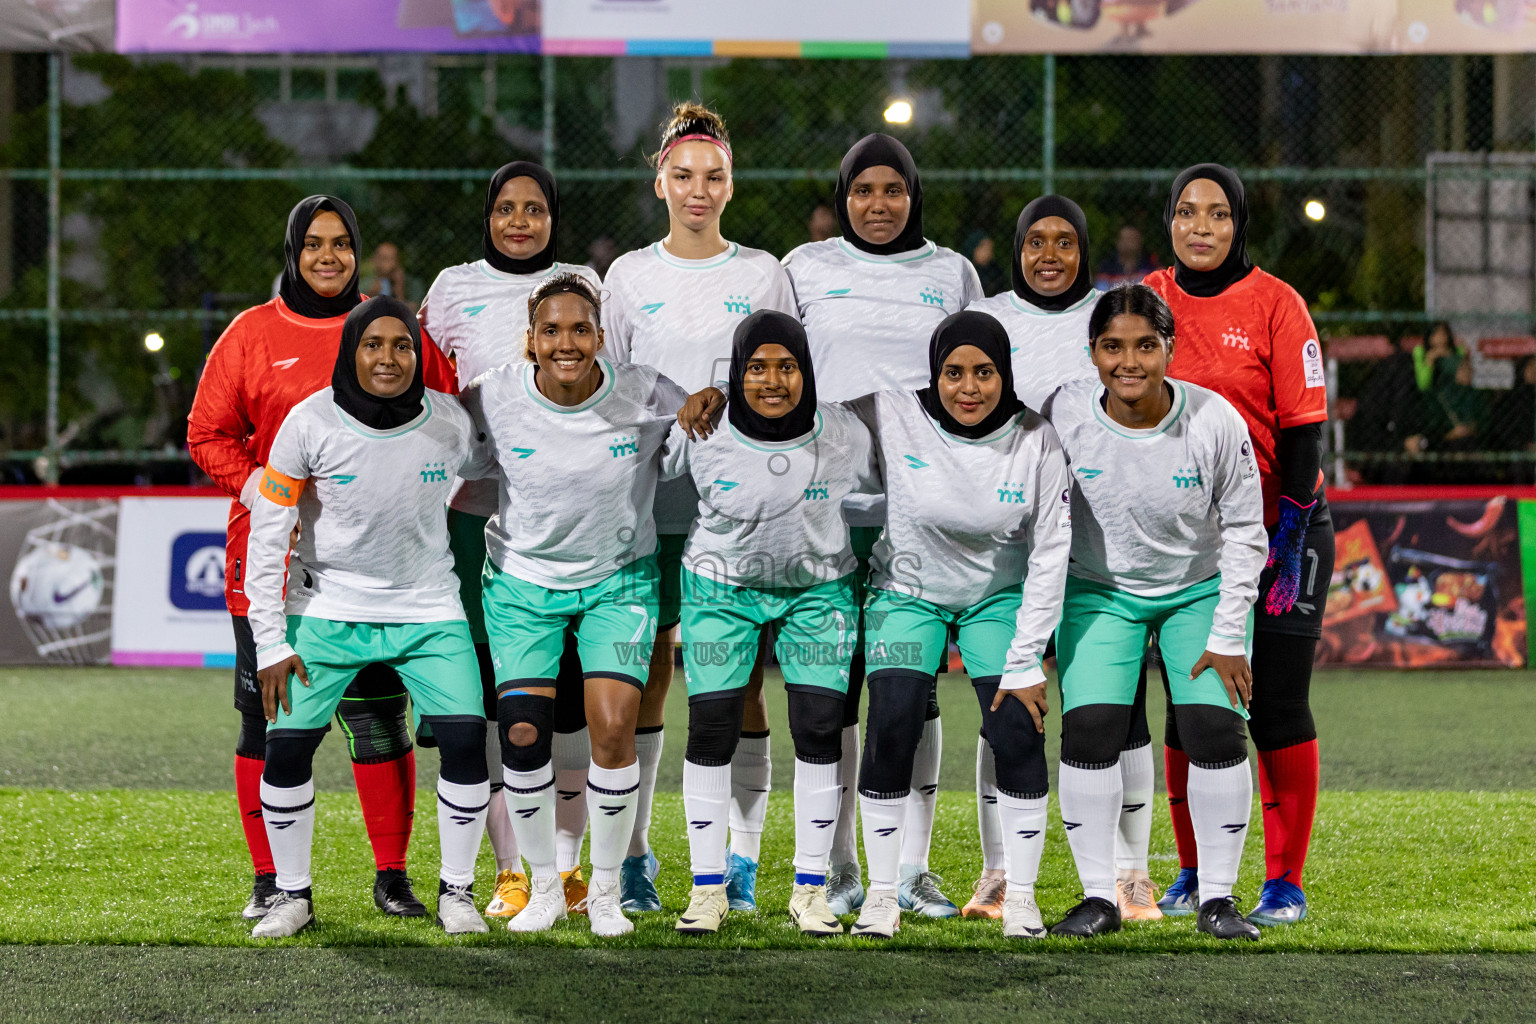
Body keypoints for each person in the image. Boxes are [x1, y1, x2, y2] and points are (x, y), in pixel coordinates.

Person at [188, 196, 456, 923]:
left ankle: (392, 876)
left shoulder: (391, 329)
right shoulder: (250, 334)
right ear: (292, 251)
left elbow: (450, 416)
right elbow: (206, 433)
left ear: (358, 250)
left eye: (341, 243)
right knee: (264, 723)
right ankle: (273, 880)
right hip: (270, 565)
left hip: (378, 570)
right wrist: (270, 495)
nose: (329, 256)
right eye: (314, 244)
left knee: (378, 721)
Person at [244, 296, 494, 939]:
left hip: (429, 609)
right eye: (374, 344)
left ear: (417, 353)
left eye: (403, 345)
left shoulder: (451, 421)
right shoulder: (307, 422)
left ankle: (457, 893)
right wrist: (269, 642)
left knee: (468, 743)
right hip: (326, 610)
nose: (389, 357)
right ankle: (292, 896)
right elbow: (269, 534)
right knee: (287, 752)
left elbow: (496, 476)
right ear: (351, 351)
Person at [782, 133, 985, 918]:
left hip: (919, 513)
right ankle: (835, 867)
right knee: (828, 695)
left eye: (892, 190)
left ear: (913, 195)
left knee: (911, 692)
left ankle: (909, 870)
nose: (877, 204)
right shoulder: (805, 267)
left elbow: (975, 381)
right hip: (825, 513)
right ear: (842, 195)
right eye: (862, 190)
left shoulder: (951, 272)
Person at [603, 102, 799, 914]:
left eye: (712, 176)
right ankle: (638, 857)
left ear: (731, 185)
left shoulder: (763, 273)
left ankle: (743, 866)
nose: (698, 189)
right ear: (659, 181)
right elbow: (610, 393)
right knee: (646, 673)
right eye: (683, 175)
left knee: (738, 683)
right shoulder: (627, 277)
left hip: (738, 510)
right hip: (646, 505)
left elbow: (787, 378)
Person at [462, 272, 694, 937]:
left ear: (600, 335)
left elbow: (702, 429)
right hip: (520, 585)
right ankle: (542, 887)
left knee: (615, 726)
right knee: (525, 733)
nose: (567, 343)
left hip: (619, 582)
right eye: (552, 330)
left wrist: (709, 402)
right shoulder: (492, 397)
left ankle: (606, 891)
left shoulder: (644, 389)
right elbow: (438, 452)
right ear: (531, 339)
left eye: (581, 329)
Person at [1041, 284, 1266, 942]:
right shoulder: (1064, 416)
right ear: (1093, 353)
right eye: (1113, 347)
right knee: (1089, 734)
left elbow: (1248, 533)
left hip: (1197, 590)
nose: (1129, 361)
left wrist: (1228, 635)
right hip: (1099, 591)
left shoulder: (1216, 421)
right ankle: (1097, 898)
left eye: (1146, 345)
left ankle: (1218, 902)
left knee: (1214, 732)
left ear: (1171, 348)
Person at [837, 310, 1070, 939]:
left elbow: (1050, 554)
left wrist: (1026, 660)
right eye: (953, 372)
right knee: (892, 719)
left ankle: (1020, 897)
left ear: (1005, 373)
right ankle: (882, 895)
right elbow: (808, 414)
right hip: (907, 592)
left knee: (1017, 727)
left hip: (996, 598)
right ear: (933, 373)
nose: (969, 387)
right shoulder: (892, 412)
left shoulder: (1036, 438)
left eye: (985, 373)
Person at [1146, 164, 1334, 926]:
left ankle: (1284, 884)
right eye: (1187, 212)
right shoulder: (1146, 297)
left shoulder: (1277, 304)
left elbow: (1305, 429)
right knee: (1193, 708)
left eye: (1217, 215)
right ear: (1169, 220)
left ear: (1238, 224)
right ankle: (1193, 872)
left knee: (1279, 706)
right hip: (1188, 545)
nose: (1201, 227)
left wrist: (1285, 537)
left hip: (1282, 533)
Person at [964, 195, 1159, 922]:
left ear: (1087, 248)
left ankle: (1131, 874)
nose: (1050, 255)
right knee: (1006, 706)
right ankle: (997, 872)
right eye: (1036, 241)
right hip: (1014, 543)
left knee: (1117, 708)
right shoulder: (993, 316)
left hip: (1103, 544)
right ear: (1017, 249)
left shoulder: (1113, 314)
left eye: (1066, 241)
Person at [418, 162, 603, 921]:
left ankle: (568, 868)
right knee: (492, 699)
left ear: (553, 215)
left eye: (534, 208)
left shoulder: (584, 279)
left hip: (564, 514)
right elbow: (423, 389)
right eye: (505, 208)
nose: (519, 221)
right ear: (487, 216)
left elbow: (608, 376)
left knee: (569, 706)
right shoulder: (452, 289)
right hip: (470, 517)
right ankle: (510, 870)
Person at [664, 311, 876, 936]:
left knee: (818, 727)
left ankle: (809, 889)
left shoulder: (844, 432)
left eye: (787, 366)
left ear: (807, 371)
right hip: (719, 587)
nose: (773, 380)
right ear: (735, 372)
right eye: (756, 367)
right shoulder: (703, 426)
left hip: (818, 589)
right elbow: (642, 462)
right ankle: (708, 891)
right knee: (711, 726)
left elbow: (897, 479)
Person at [1094, 224, 1159, 290]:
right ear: (1118, 242)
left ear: (1139, 242)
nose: (1127, 243)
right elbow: (1101, 293)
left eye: (1131, 239)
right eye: (1124, 239)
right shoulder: (1106, 267)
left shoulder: (1151, 265)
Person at [963, 230, 1007, 297]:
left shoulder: (996, 271)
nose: (989, 253)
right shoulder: (965, 271)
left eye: (990, 248)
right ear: (975, 250)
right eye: (985, 248)